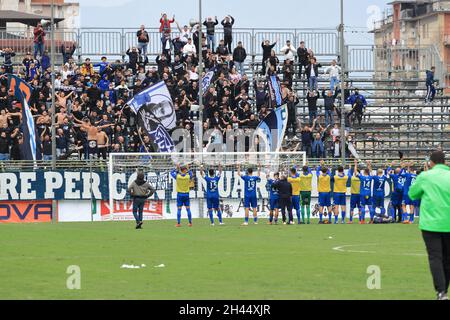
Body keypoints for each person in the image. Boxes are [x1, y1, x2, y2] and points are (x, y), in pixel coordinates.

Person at [409, 150, 450, 300]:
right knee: (447, 258)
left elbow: (412, 194)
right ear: (445, 162)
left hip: (431, 224)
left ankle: (441, 292)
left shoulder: (425, 176)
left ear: (430, 163)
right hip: (449, 222)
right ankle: (444, 289)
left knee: (435, 257)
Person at [354, 160, 374, 224]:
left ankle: (362, 220)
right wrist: (369, 165)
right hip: (368, 193)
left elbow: (355, 172)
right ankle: (371, 220)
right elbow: (371, 172)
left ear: (364, 172)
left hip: (362, 194)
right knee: (370, 206)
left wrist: (355, 164)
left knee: (362, 206)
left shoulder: (362, 177)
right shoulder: (370, 177)